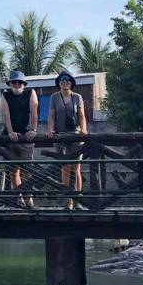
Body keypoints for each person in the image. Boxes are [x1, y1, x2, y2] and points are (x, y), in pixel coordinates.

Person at [47, 70, 88, 203]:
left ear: (71, 83)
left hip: (75, 135)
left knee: (76, 168)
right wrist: (50, 129)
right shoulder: (54, 97)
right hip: (60, 136)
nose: (65, 83)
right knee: (65, 168)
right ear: (59, 83)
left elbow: (81, 115)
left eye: (67, 81)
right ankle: (68, 201)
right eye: (62, 81)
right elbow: (52, 115)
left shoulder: (77, 97)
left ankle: (78, 200)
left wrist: (84, 129)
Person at [0, 70, 39, 203]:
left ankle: (29, 198)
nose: (16, 84)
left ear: (24, 84)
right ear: (10, 84)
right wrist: (10, 132)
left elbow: (34, 113)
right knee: (13, 170)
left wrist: (33, 129)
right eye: (14, 82)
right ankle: (19, 197)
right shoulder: (5, 95)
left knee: (27, 170)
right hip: (11, 137)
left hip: (26, 136)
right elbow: (6, 115)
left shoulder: (30, 92)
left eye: (19, 82)